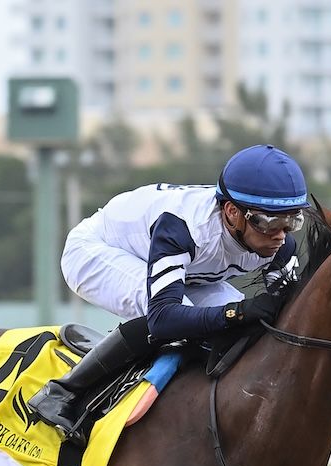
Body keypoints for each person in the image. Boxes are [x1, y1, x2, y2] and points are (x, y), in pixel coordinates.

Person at [28, 143, 310, 435]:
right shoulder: (184, 227)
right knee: (183, 316)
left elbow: (286, 316)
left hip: (187, 270)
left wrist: (243, 314)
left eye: (292, 220)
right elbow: (164, 319)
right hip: (96, 251)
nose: (280, 234)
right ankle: (61, 393)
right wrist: (237, 313)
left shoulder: (279, 244)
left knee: (238, 321)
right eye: (270, 222)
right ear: (232, 212)